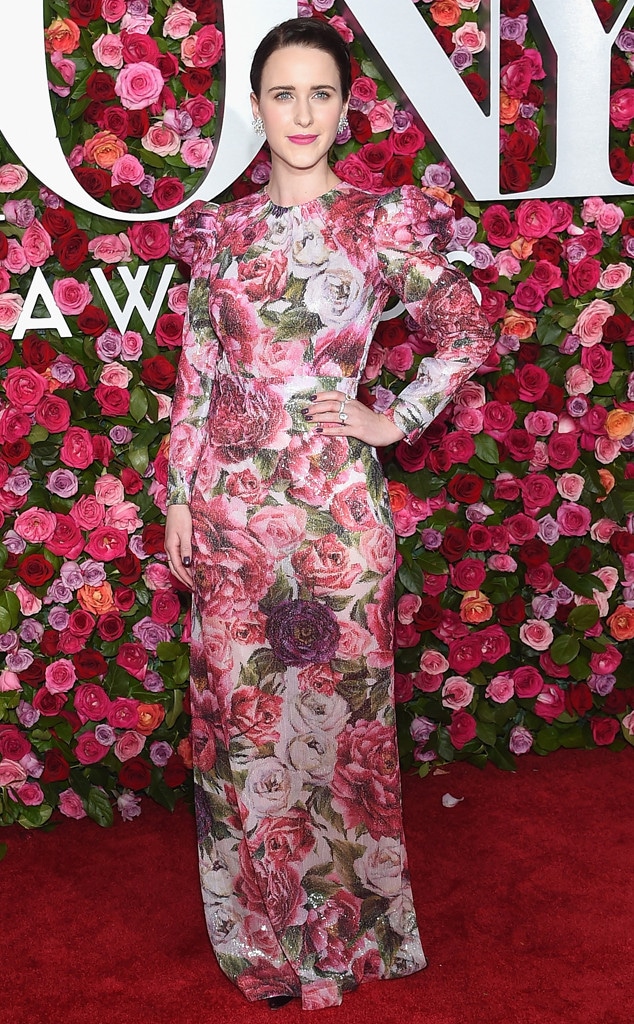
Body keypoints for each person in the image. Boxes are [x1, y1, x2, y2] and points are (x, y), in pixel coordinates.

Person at [165, 16, 494, 1012]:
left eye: (320, 94)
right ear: (255, 108)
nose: (301, 113)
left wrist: (390, 418)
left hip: (336, 521)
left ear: (345, 107)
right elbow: (196, 374)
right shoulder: (216, 231)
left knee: (334, 733)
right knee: (243, 733)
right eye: (282, 94)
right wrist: (177, 495)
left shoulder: (384, 219)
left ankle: (347, 934)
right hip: (230, 520)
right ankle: (262, 936)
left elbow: (467, 328)